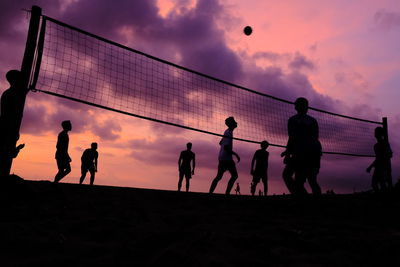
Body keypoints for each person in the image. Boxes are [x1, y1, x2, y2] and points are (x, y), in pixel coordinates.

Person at [286, 97, 322, 196]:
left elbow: (292, 137)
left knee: (291, 176)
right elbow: (315, 138)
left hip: (302, 152)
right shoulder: (313, 120)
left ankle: (301, 199)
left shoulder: (293, 120)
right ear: (307, 108)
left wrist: (288, 153)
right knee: (311, 179)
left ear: (296, 107)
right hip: (314, 152)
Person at [0, 70, 25, 177]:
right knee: (6, 154)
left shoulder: (13, 93)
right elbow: (10, 114)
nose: (22, 81)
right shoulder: (10, 94)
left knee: (7, 153)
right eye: (20, 78)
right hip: (7, 128)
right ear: (15, 80)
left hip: (10, 129)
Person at [209, 116, 240, 195]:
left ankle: (210, 193)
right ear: (231, 124)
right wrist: (236, 154)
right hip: (226, 158)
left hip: (222, 157)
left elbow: (220, 143)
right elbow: (225, 147)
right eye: (234, 121)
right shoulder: (228, 132)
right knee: (234, 176)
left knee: (219, 177)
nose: (236, 122)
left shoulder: (226, 131)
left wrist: (225, 145)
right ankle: (226, 193)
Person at [366, 127, 392, 192]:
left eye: (376, 132)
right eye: (375, 132)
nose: (375, 134)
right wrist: (371, 166)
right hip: (378, 167)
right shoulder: (376, 146)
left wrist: (384, 160)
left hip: (383, 167)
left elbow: (390, 155)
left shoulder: (385, 144)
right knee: (375, 184)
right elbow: (378, 158)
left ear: (379, 134)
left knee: (381, 183)